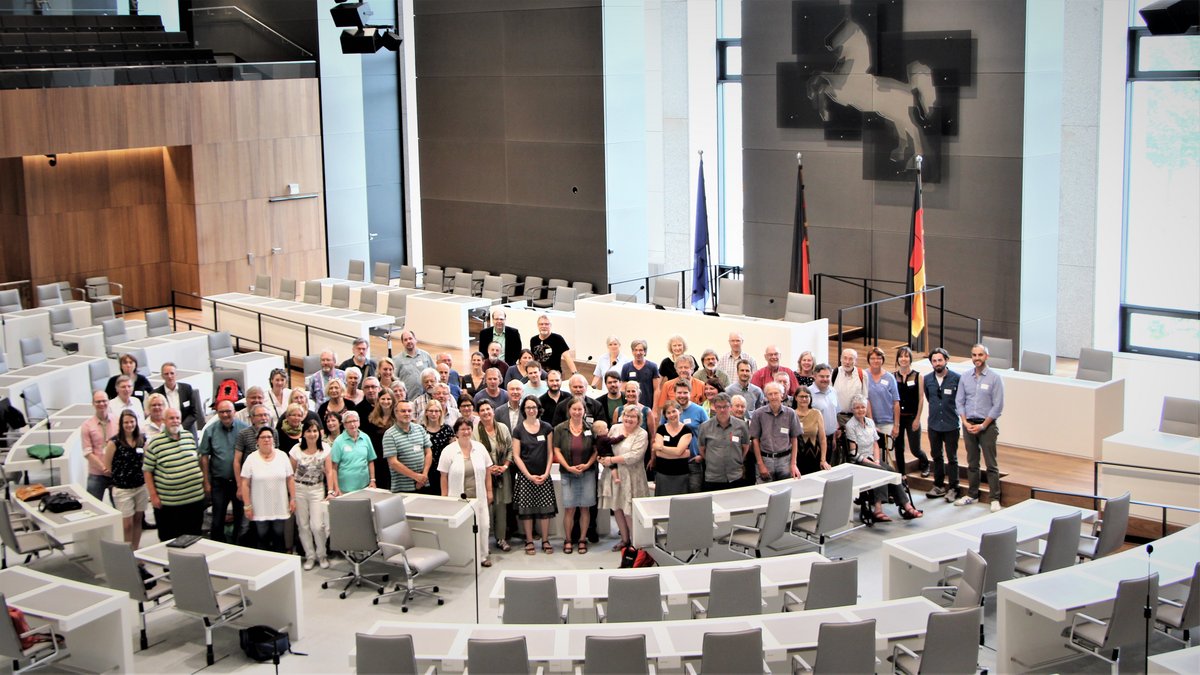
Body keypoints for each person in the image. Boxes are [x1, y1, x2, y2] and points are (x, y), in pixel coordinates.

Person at [843, 395, 923, 521]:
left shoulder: (870, 422)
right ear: (852, 410)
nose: (860, 410)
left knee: (892, 472)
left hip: (872, 457)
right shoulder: (850, 425)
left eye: (863, 407)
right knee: (880, 472)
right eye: (857, 408)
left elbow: (875, 443)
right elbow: (853, 453)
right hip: (859, 460)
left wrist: (876, 460)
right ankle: (878, 508)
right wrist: (872, 463)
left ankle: (907, 506)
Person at [143, 408, 207, 540]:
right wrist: (153, 495)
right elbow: (147, 470)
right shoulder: (155, 443)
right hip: (170, 504)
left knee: (194, 537)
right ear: (164, 421)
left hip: (194, 500)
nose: (175, 421)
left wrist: (204, 482)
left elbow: (198, 461)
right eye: (171, 418)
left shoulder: (189, 437)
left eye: (178, 418)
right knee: (170, 538)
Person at [955, 343, 1005, 511]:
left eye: (980, 355)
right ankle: (972, 494)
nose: (977, 358)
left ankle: (994, 498)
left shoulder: (994, 378)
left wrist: (983, 425)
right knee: (972, 462)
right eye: (974, 355)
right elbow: (959, 401)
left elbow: (998, 406)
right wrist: (965, 422)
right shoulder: (965, 377)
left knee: (991, 464)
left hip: (987, 426)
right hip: (969, 424)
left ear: (986, 357)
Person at [440, 418, 495, 567]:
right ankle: (463, 556)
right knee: (462, 529)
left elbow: (488, 471)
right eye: (462, 429)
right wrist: (444, 497)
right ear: (456, 432)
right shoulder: (449, 451)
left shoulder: (480, 448)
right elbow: (443, 476)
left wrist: (489, 491)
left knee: (483, 526)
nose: (466, 432)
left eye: (468, 428)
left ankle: (483, 555)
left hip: (479, 496)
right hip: (457, 498)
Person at [551, 397, 598, 554]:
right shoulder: (559, 429)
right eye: (574, 409)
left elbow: (596, 450)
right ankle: (569, 540)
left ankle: (582, 539)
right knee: (569, 509)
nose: (577, 412)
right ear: (569, 410)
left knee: (585, 508)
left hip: (588, 474)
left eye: (580, 409)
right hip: (567, 474)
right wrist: (568, 467)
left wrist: (587, 465)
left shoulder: (591, 429)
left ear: (584, 411)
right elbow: (556, 449)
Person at [511, 396, 557, 554]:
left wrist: (546, 472)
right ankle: (529, 540)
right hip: (526, 476)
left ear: (539, 409)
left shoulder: (546, 428)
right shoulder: (518, 430)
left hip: (543, 475)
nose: (531, 410)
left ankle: (545, 540)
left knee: (545, 511)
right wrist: (528, 475)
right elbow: (516, 456)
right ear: (524, 409)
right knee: (527, 511)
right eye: (528, 407)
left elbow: (550, 452)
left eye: (534, 407)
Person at [599, 406, 649, 550]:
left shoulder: (642, 434)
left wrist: (612, 460)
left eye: (633, 416)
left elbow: (634, 456)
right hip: (615, 475)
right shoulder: (615, 428)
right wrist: (602, 457)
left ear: (639, 419)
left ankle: (636, 543)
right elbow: (606, 446)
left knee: (630, 511)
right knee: (617, 508)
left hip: (632, 477)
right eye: (626, 415)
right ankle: (624, 540)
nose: (629, 419)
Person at [198, 400, 247, 543]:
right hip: (219, 482)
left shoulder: (244, 429)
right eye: (221, 412)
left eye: (228, 411)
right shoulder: (210, 430)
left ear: (235, 412)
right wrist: (206, 482)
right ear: (217, 413)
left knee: (240, 517)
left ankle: (238, 546)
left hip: (239, 482)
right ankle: (217, 546)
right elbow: (204, 457)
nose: (225, 415)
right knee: (217, 518)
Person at [240, 427, 295, 553]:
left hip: (279, 505)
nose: (266, 440)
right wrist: (247, 505)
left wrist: (293, 498)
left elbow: (290, 479)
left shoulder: (282, 456)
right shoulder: (251, 458)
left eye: (269, 437)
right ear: (257, 441)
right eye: (263, 437)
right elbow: (245, 484)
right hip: (260, 506)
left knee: (279, 535)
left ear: (274, 440)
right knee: (262, 536)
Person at [103, 409, 147, 548]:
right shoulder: (114, 442)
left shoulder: (142, 440)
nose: (129, 425)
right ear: (121, 424)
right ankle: (128, 554)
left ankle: (136, 549)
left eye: (132, 421)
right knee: (127, 524)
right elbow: (107, 466)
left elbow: (147, 461)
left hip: (140, 486)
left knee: (138, 519)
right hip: (123, 490)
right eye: (126, 422)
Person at [289, 418, 330, 569]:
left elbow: (329, 472)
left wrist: (331, 491)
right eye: (309, 431)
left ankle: (322, 554)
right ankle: (310, 556)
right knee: (303, 525)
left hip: (317, 489)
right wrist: (292, 496)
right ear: (303, 433)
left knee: (317, 525)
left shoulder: (325, 448)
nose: (312, 434)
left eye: (314, 431)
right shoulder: (296, 450)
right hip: (299, 490)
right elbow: (290, 475)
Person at [473, 400, 513, 552]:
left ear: (493, 411)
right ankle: (485, 542)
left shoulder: (502, 428)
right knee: (485, 508)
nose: (486, 412)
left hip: (503, 473)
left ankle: (501, 539)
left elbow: (510, 449)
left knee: (501, 507)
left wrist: (504, 466)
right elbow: (475, 453)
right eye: (482, 410)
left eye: (488, 409)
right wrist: (489, 469)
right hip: (484, 475)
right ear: (478, 413)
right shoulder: (475, 431)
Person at [923, 347, 962, 500]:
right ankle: (938, 486)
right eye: (934, 361)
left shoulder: (957, 378)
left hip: (951, 424)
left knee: (952, 458)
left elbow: (961, 400)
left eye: (940, 360)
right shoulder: (927, 379)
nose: (937, 363)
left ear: (946, 360)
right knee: (936, 456)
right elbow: (928, 397)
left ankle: (954, 488)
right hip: (934, 425)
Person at [698, 393, 752, 491]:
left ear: (730, 407)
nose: (722, 410)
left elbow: (745, 447)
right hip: (713, 477)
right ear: (714, 407)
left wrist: (737, 459)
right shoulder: (705, 427)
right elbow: (702, 449)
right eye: (719, 407)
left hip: (735, 476)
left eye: (725, 407)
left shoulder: (742, 426)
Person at [750, 382, 801, 482]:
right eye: (770, 394)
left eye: (776, 393)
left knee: (786, 491)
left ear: (782, 395)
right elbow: (755, 440)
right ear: (766, 397)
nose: (773, 397)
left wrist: (793, 464)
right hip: (766, 460)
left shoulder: (791, 413)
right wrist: (760, 464)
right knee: (764, 493)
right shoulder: (758, 414)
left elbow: (794, 439)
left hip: (785, 460)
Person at [894, 346, 930, 476]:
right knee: (899, 447)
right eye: (901, 356)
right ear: (897, 359)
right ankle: (901, 474)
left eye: (906, 356)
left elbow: (921, 399)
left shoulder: (918, 376)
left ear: (910, 359)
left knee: (915, 449)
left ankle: (925, 463)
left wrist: (917, 419)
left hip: (912, 417)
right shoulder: (893, 376)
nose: (904, 359)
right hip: (898, 417)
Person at [383, 400, 431, 493]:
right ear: (396, 413)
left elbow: (428, 452)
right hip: (403, 487)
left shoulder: (420, 429)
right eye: (403, 411)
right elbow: (393, 462)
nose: (407, 413)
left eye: (409, 411)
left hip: (423, 483)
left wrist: (424, 475)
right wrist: (416, 476)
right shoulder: (389, 434)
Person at [865, 346, 901, 461]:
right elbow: (865, 399)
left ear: (883, 360)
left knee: (888, 456)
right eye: (873, 358)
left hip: (887, 422)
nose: (876, 361)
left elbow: (896, 402)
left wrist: (896, 425)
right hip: (869, 422)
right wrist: (871, 423)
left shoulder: (890, 378)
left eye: (879, 358)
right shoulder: (864, 376)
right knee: (873, 455)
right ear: (869, 360)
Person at [328, 410, 376, 496]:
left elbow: (370, 460)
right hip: (345, 489)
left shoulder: (365, 438)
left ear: (359, 422)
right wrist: (336, 488)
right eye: (349, 422)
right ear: (344, 425)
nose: (352, 424)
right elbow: (333, 467)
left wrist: (372, 480)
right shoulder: (338, 441)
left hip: (364, 487)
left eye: (355, 421)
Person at [81, 390, 117, 502]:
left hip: (115, 472)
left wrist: (111, 468)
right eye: (98, 402)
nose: (101, 404)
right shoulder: (87, 425)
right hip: (96, 473)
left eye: (104, 401)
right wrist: (103, 468)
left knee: (120, 510)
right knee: (93, 506)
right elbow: (87, 452)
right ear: (93, 404)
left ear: (108, 402)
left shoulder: (117, 420)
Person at [652, 401, 692, 496]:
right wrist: (682, 453)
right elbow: (658, 454)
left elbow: (678, 451)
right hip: (663, 474)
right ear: (665, 415)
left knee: (680, 505)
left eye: (674, 411)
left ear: (680, 411)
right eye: (668, 413)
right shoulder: (661, 429)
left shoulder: (686, 430)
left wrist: (661, 447)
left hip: (681, 475)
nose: (671, 415)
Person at [153, 362, 200, 434]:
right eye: (166, 374)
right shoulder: (156, 394)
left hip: (187, 430)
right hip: (166, 432)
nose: (169, 376)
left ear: (176, 374)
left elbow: (194, 413)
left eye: (172, 373)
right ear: (162, 376)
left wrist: (181, 427)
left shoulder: (187, 389)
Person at [364, 388, 397, 490]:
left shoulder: (397, 418)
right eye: (383, 399)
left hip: (394, 459)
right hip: (377, 460)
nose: (386, 402)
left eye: (389, 399)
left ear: (393, 401)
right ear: (378, 400)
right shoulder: (371, 418)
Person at [793, 387, 829, 475]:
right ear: (795, 397)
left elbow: (823, 439)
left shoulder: (816, 413)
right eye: (801, 396)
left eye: (807, 396)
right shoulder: (791, 414)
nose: (804, 399)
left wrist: (823, 460)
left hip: (814, 456)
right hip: (797, 459)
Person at [808, 364, 840, 464]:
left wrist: (834, 437)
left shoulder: (833, 391)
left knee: (828, 469)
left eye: (827, 376)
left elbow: (835, 415)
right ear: (814, 376)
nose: (825, 379)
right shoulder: (808, 393)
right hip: (813, 441)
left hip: (830, 439)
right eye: (822, 376)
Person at [621, 339, 661, 412]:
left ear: (645, 352)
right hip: (630, 408)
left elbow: (657, 389)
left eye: (641, 350)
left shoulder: (653, 367)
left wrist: (655, 409)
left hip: (648, 407)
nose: (638, 353)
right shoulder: (626, 367)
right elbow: (623, 390)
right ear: (632, 352)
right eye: (635, 350)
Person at [396, 329, 436, 396]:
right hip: (408, 398)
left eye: (410, 338)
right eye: (405, 340)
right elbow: (395, 380)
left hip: (426, 397)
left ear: (415, 340)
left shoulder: (425, 356)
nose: (408, 341)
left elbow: (435, 374)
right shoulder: (397, 360)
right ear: (402, 343)